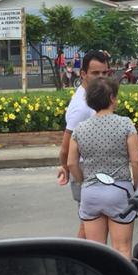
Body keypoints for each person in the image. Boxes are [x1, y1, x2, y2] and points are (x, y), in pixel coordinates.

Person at [67, 76, 138, 259]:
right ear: (111, 98)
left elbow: (71, 163)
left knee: (96, 253)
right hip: (119, 191)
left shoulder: (80, 129)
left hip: (90, 193)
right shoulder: (125, 124)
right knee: (122, 249)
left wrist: (83, 181)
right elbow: (136, 162)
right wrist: (136, 186)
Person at [57, 50, 111, 238]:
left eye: (104, 73)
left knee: (89, 229)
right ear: (83, 74)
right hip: (85, 172)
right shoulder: (82, 106)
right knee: (90, 230)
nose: (101, 77)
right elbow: (66, 146)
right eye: (95, 73)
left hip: (94, 172)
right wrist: (66, 167)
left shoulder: (93, 97)